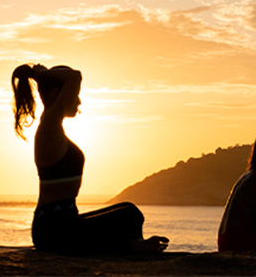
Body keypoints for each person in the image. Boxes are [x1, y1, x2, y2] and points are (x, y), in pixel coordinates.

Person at [11, 63, 169, 254]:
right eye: (75, 95)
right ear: (56, 95)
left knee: (128, 209)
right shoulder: (49, 125)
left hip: (62, 225)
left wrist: (41, 77)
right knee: (129, 215)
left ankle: (133, 244)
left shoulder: (53, 126)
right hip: (54, 231)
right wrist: (41, 74)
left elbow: (71, 80)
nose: (79, 102)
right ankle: (132, 247)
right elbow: (75, 76)